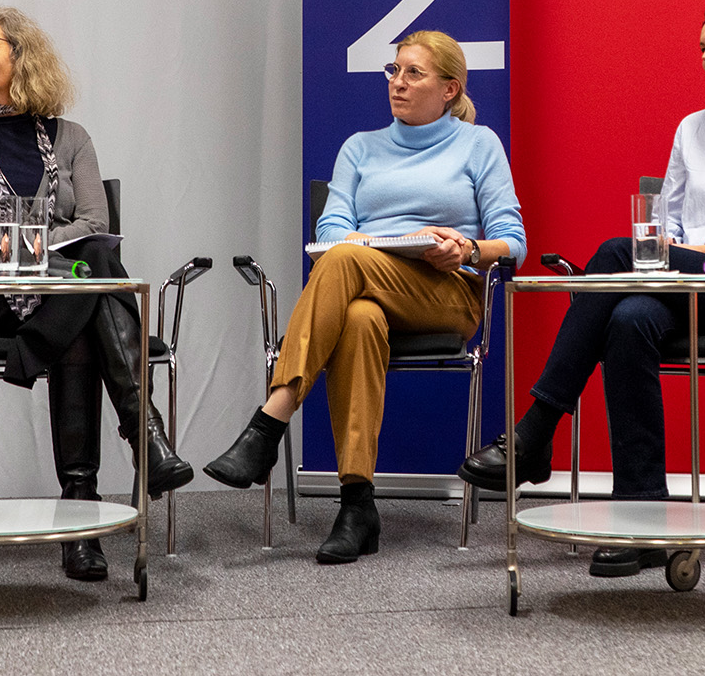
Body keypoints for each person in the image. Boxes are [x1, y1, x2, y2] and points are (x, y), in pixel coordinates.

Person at [458, 4, 705, 578]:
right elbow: (672, 225)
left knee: (613, 253)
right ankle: (644, 519)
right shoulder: (693, 129)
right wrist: (683, 256)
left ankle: (536, 433)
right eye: (702, 46)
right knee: (629, 317)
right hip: (689, 280)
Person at [204, 30, 525, 564]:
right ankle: (357, 505)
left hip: (446, 292)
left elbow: (513, 242)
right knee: (356, 316)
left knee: (347, 259)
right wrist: (375, 242)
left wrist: (466, 247)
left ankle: (269, 423)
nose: (397, 82)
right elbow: (329, 233)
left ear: (450, 89)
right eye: (393, 70)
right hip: (368, 286)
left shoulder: (478, 144)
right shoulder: (361, 146)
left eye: (413, 73)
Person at [0, 4, 192, 583]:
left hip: (63, 298)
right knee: (95, 276)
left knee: (96, 265)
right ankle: (140, 441)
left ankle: (84, 507)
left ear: (19, 54)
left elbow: (93, 222)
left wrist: (19, 246)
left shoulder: (73, 138)